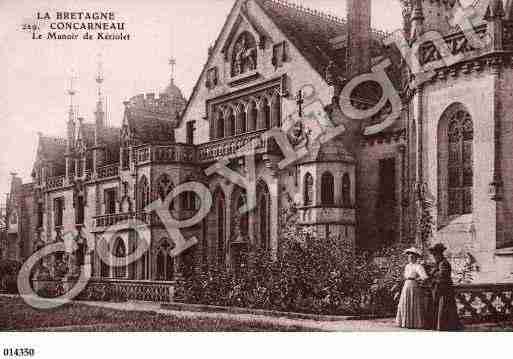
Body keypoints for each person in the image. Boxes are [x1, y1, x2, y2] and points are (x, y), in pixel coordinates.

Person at [428, 243, 462, 331]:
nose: (434, 257)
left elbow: (442, 276)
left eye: (436, 254)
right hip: (439, 289)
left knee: (444, 307)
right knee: (439, 307)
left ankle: (445, 326)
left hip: (444, 289)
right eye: (434, 255)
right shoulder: (438, 263)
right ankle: (440, 325)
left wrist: (434, 276)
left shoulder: (444, 263)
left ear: (440, 254)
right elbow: (433, 274)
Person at [396, 247, 428, 329]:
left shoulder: (418, 266)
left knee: (413, 302)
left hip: (413, 285)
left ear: (416, 257)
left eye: (412, 256)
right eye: (409, 256)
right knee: (405, 301)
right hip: (406, 285)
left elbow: (424, 277)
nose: (410, 257)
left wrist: (417, 279)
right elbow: (405, 276)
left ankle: (415, 323)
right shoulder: (407, 266)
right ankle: (405, 322)